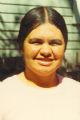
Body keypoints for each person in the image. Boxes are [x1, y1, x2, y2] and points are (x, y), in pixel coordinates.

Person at [0, 6, 80, 120]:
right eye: (36, 42)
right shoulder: (4, 94)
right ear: (21, 46)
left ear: (65, 47)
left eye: (54, 43)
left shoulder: (76, 93)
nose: (46, 51)